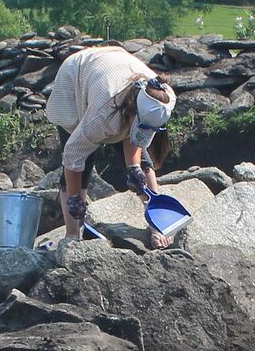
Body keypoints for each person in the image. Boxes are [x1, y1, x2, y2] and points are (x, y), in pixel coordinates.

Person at [44, 44, 177, 245]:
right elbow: (72, 156)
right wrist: (74, 199)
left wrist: (134, 168)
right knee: (83, 162)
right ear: (132, 111)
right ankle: (72, 234)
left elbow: (135, 138)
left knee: (142, 164)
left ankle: (157, 224)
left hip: (113, 68)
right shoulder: (103, 115)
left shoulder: (162, 95)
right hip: (76, 76)